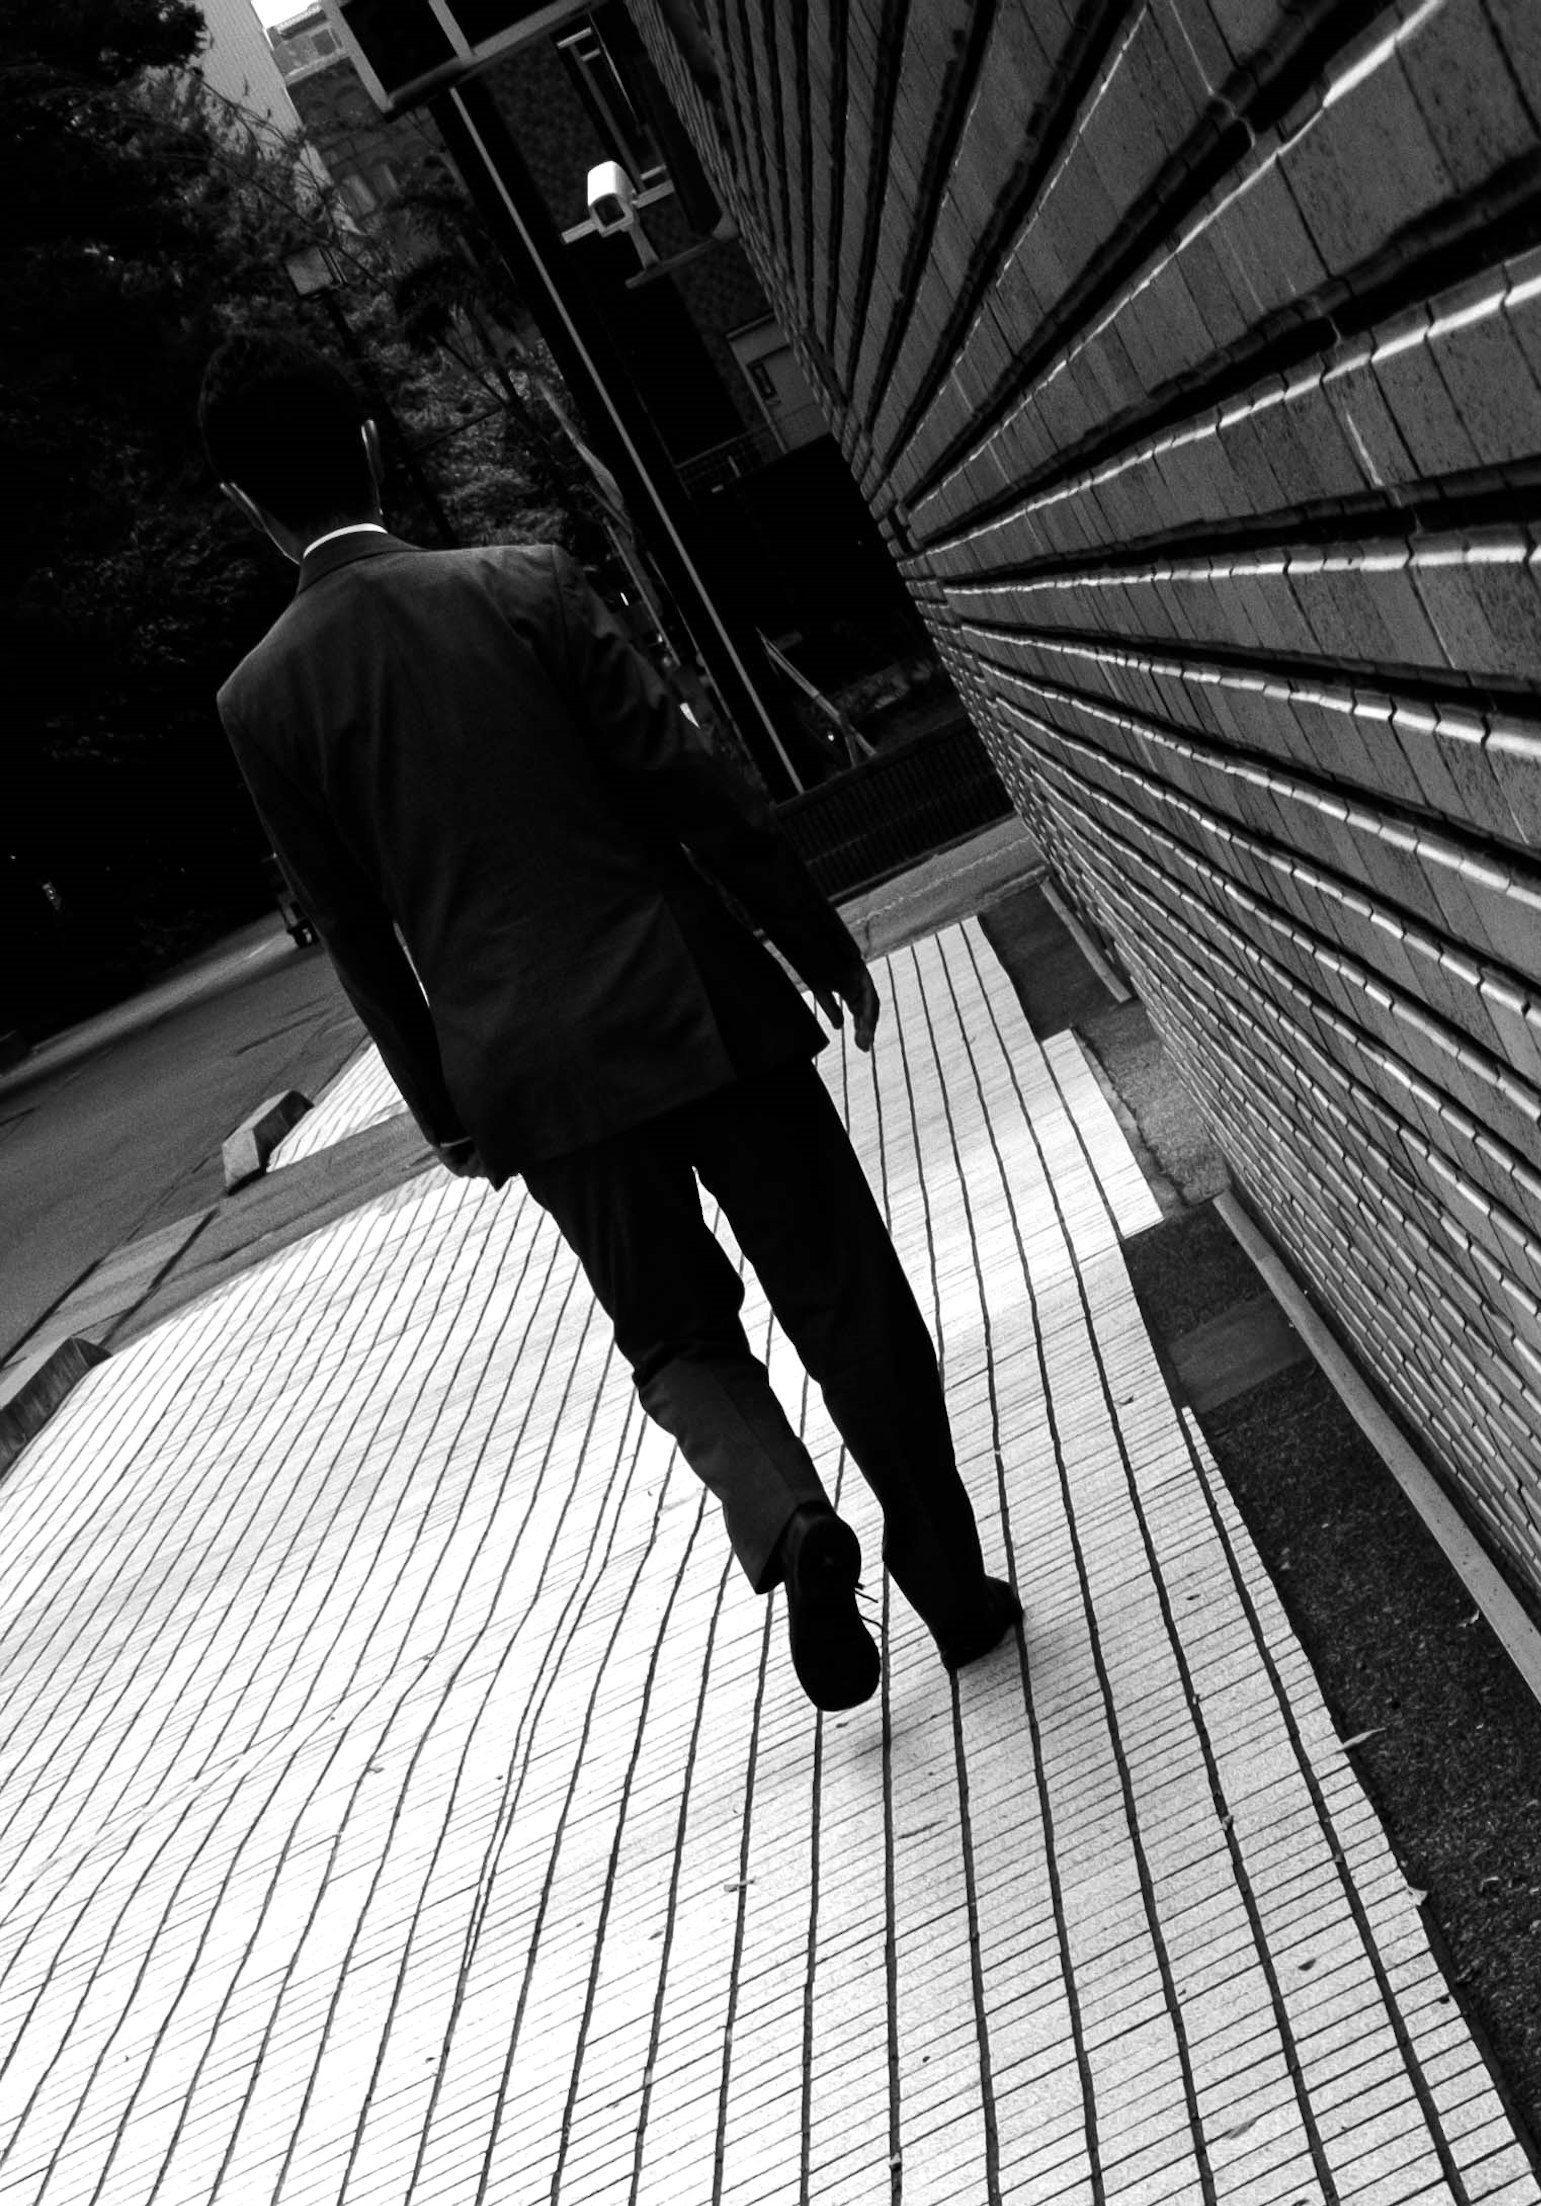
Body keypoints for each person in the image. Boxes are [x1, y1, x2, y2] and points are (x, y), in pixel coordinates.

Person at [196, 321, 1015, 1716]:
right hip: (690, 995)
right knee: (842, 1287)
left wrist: (446, 1105)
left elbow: (359, 943)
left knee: (674, 1335)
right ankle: (951, 1591)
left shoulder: (260, 701)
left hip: (531, 1073)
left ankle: (788, 1522)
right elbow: (685, 780)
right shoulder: (521, 584)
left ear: (241, 507)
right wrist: (811, 937)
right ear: (374, 450)